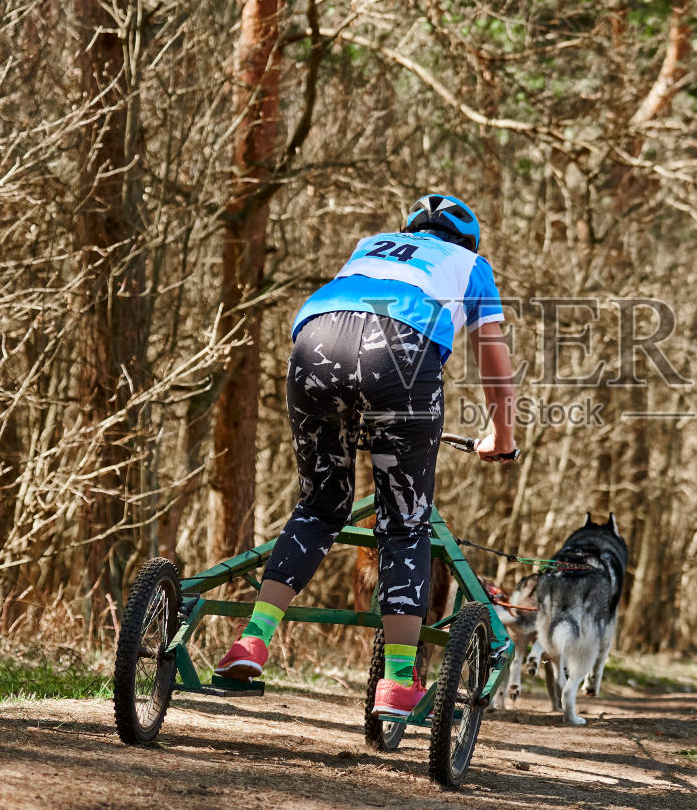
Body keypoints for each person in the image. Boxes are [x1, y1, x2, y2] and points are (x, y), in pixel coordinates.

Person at [213, 193, 519, 719]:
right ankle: (400, 682)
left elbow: (352, 325)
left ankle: (252, 643)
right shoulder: (471, 265)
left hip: (314, 343)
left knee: (319, 507)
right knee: (403, 522)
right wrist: (502, 433)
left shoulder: (370, 247)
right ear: (468, 239)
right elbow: (492, 355)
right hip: (398, 354)